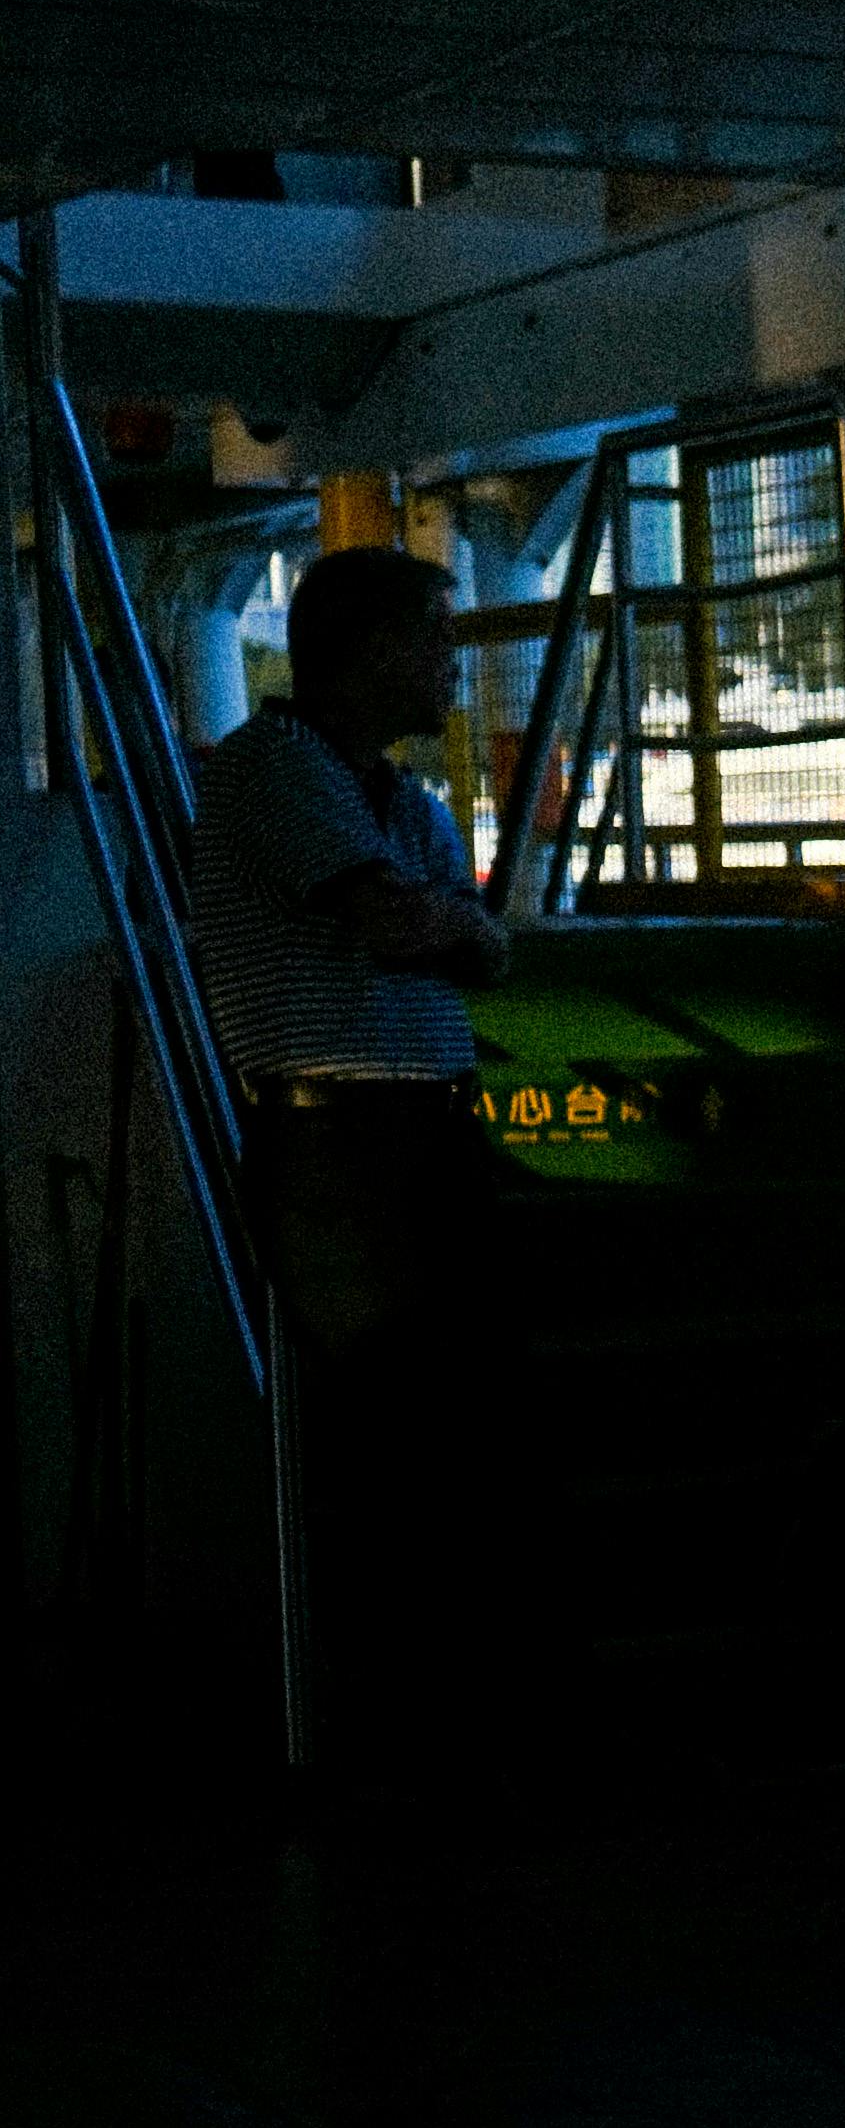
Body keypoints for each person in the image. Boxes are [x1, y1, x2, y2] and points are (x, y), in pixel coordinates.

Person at [182, 542, 514, 1740]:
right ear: (372, 649)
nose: (453, 668)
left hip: (404, 1131)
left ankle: (410, 1697)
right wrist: (445, 922)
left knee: (436, 1422)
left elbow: (467, 938)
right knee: (382, 1429)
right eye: (439, 640)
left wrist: (441, 924)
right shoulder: (273, 766)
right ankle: (384, 1702)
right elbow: (406, 925)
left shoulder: (390, 797)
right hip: (338, 1143)